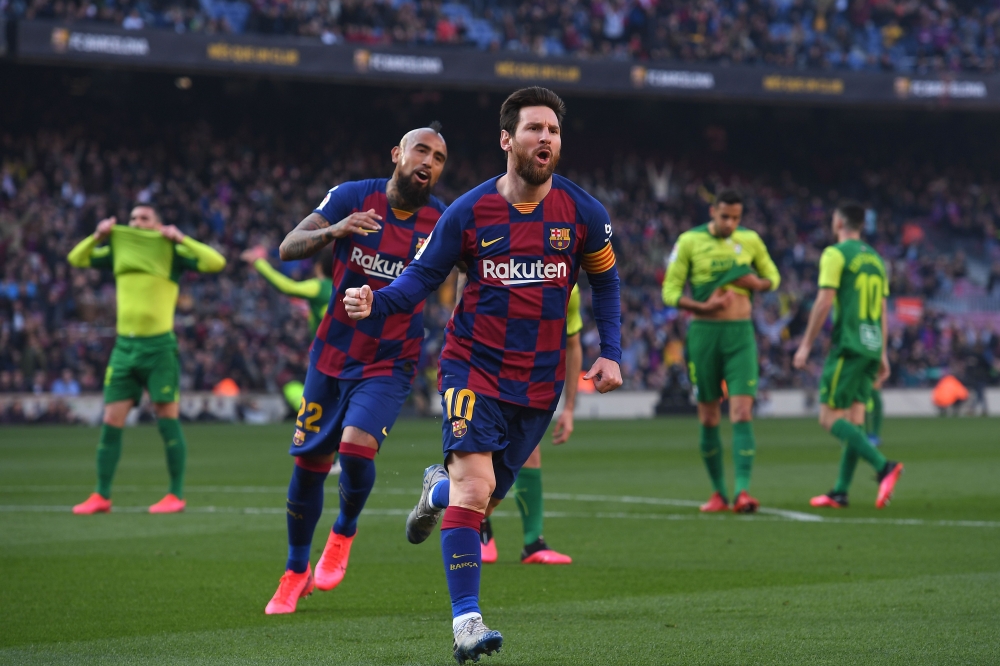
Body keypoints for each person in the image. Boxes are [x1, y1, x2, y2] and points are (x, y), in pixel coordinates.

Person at [344, 87, 623, 664]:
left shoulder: (584, 214)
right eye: (533, 129)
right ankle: (467, 623)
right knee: (476, 490)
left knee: (484, 495)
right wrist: (379, 300)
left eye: (553, 130)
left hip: (539, 383)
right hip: (472, 369)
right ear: (507, 140)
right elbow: (420, 279)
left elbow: (606, 282)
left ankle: (435, 488)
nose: (545, 138)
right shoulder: (468, 212)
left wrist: (611, 350)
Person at [264, 124, 449, 615]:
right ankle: (295, 571)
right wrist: (335, 229)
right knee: (309, 467)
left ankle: (344, 532)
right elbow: (287, 246)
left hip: (390, 359)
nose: (429, 163)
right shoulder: (352, 197)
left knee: (356, 447)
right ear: (398, 153)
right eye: (421, 151)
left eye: (439, 158)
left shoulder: (443, 219)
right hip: (331, 355)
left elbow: (473, 274)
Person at [67, 205, 226, 515]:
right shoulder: (117, 249)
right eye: (133, 219)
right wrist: (97, 235)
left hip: (159, 349)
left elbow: (215, 262)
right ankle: (101, 494)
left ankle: (175, 494)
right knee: (111, 420)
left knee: (166, 418)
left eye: (144, 219)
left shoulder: (170, 251)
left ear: (158, 225)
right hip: (124, 348)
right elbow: (76, 259)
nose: (137, 223)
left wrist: (180, 237)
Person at [661, 190, 780, 513]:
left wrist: (755, 285)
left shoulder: (750, 240)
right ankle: (718, 493)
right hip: (704, 334)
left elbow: (773, 277)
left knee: (742, 411)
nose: (730, 224)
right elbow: (670, 292)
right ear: (713, 212)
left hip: (741, 335)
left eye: (736, 218)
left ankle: (743, 492)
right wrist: (702, 305)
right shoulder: (688, 241)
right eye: (725, 216)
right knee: (709, 415)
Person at [793, 202, 903, 509]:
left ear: (839, 222)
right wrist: (882, 353)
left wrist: (805, 345)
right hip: (870, 346)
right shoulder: (877, 260)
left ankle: (884, 467)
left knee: (828, 418)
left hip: (849, 345)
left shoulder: (835, 254)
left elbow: (824, 301)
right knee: (855, 420)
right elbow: (882, 310)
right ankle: (840, 491)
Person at [477, 284, 582, 565]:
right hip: (484, 375)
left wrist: (569, 408)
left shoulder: (566, 287)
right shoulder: (497, 269)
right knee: (478, 452)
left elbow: (572, 343)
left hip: (529, 381)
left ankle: (532, 542)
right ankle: (478, 527)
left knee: (529, 451)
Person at [240, 246, 342, 474]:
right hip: (349, 355)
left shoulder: (320, 286)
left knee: (321, 406)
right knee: (334, 405)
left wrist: (259, 263)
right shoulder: (344, 287)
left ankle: (332, 457)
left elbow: (287, 287)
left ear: (318, 268)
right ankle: (337, 455)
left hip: (328, 358)